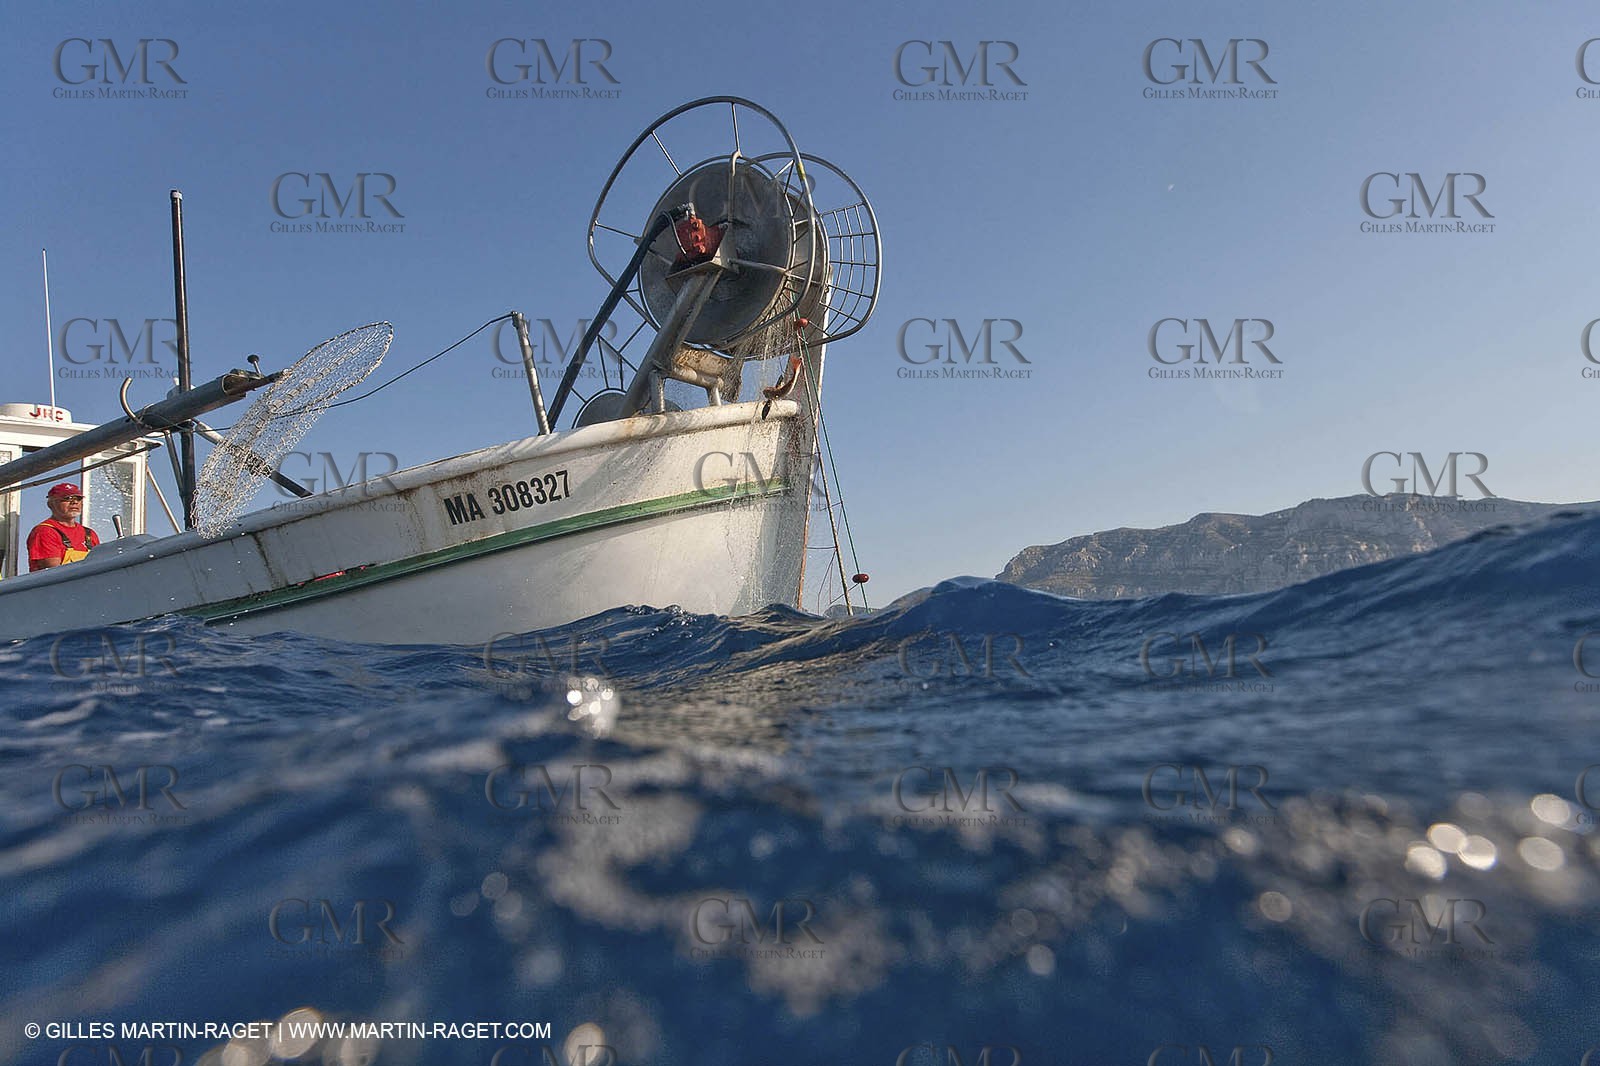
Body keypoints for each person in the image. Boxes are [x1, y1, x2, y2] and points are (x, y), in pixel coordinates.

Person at [27, 483, 100, 572]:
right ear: (51, 504)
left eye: (78, 498)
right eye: (67, 498)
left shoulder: (89, 534)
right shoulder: (45, 531)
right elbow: (54, 573)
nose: (74, 502)